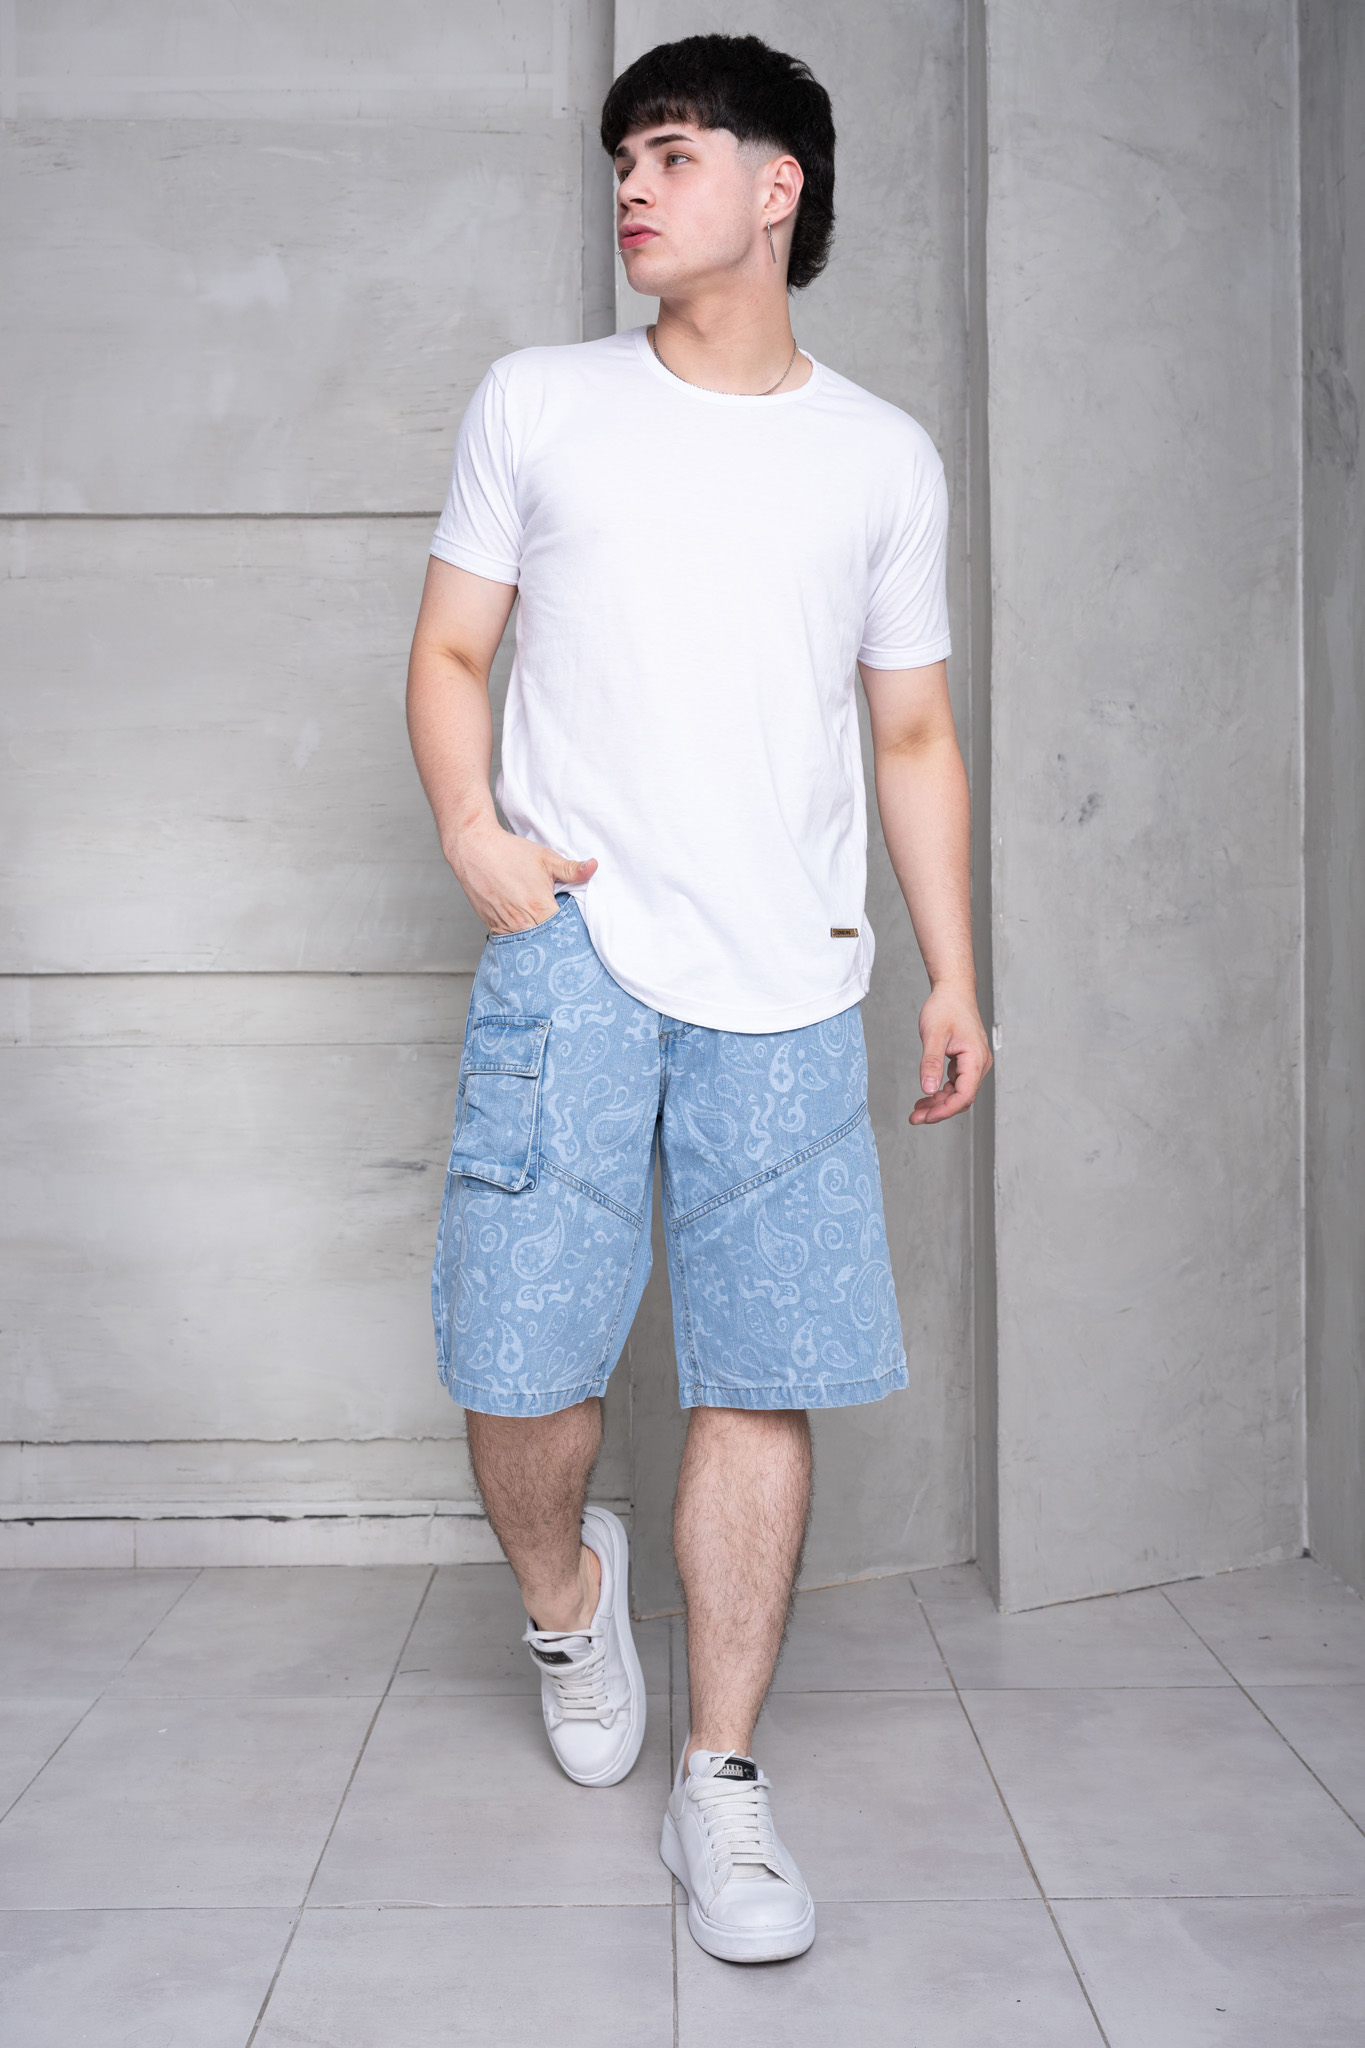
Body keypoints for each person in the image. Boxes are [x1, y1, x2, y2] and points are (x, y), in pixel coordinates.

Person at [406, 32, 990, 1965]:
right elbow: (452, 649)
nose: (632, 191)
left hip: (792, 975)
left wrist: (952, 972)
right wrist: (475, 831)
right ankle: (567, 1600)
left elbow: (911, 734)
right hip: (571, 942)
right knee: (520, 1360)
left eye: (668, 154)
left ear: (775, 185)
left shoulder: (880, 456)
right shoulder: (539, 402)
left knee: (760, 1371)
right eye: (621, 163)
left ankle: (719, 1778)